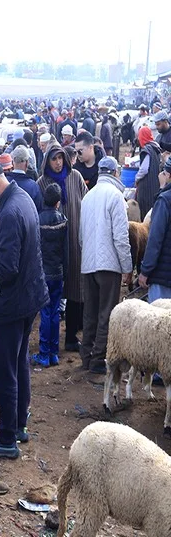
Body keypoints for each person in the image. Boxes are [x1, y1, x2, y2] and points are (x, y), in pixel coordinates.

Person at [0, 160, 48, 458]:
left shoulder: (7, 214)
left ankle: (7, 438)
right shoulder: (24, 198)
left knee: (5, 369)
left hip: (13, 302)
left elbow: (8, 267)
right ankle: (19, 425)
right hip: (30, 298)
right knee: (19, 362)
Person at [78, 157, 132, 374]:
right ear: (114, 173)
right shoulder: (116, 196)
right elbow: (120, 237)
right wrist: (127, 266)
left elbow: (81, 236)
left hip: (88, 263)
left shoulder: (88, 197)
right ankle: (99, 360)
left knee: (90, 311)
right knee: (106, 312)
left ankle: (86, 355)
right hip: (109, 265)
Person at [37, 144, 87, 352]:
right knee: (51, 300)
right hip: (52, 250)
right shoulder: (42, 183)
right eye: (53, 159)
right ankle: (49, 343)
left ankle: (71, 336)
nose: (58, 163)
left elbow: (85, 201)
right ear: (47, 161)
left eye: (60, 158)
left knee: (76, 288)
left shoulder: (75, 177)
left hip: (75, 243)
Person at [32, 184, 67, 368]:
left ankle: (44, 353)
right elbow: (66, 250)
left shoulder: (38, 220)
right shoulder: (62, 219)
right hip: (58, 273)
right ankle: (53, 353)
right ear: (58, 203)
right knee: (55, 313)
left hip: (43, 274)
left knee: (45, 313)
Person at [139, 157, 171, 300]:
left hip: (163, 276)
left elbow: (155, 238)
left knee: (160, 320)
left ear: (168, 175)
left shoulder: (164, 200)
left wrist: (145, 271)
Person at [135, 126, 163, 220]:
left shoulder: (147, 149)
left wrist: (137, 178)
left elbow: (144, 169)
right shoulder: (155, 147)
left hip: (146, 186)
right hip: (155, 183)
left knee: (145, 210)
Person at [9, 146, 42, 212]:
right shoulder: (33, 187)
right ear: (27, 163)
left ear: (12, 163)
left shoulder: (4, 182)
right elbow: (39, 210)